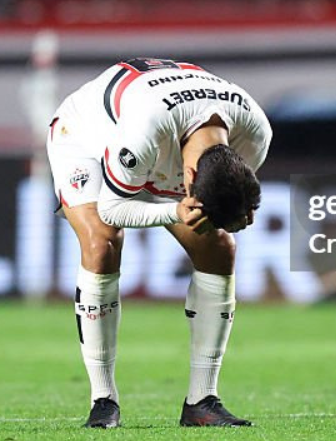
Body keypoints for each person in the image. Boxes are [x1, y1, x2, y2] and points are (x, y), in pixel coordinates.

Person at [47, 58, 271, 428]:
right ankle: (103, 400)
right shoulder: (144, 129)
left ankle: (203, 401)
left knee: (219, 247)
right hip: (87, 135)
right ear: (191, 177)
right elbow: (114, 208)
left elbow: (229, 193)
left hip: (157, 143)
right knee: (102, 244)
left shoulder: (256, 133)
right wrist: (174, 212)